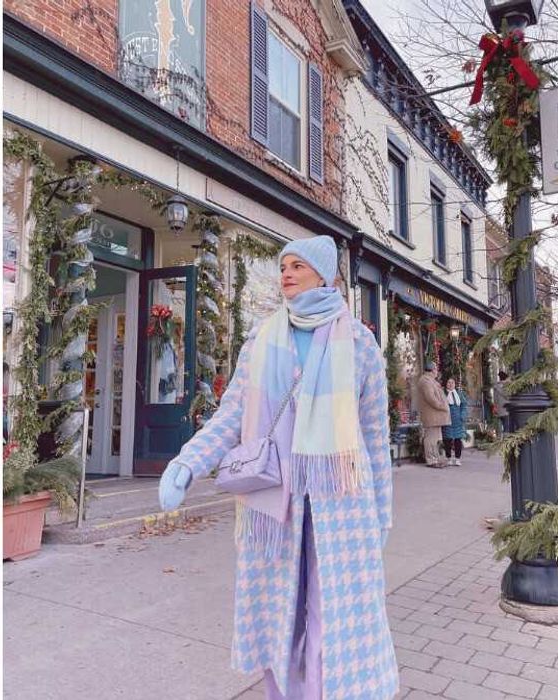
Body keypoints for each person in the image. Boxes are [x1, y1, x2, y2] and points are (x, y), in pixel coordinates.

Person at [158, 235, 398, 699]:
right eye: (283, 265)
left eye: (297, 266)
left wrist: (382, 515)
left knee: (334, 620)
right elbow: (231, 416)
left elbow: (374, 437)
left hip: (342, 505)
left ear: (323, 275)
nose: (285, 274)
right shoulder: (262, 339)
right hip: (274, 503)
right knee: (279, 617)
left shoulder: (361, 344)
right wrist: (187, 464)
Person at [415, 361, 450, 468]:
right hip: (432, 415)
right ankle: (431, 460)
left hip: (436, 415)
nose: (437, 371)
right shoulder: (425, 381)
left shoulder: (431, 380)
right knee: (431, 438)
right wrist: (442, 406)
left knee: (436, 438)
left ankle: (437, 458)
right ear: (432, 370)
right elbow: (430, 398)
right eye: (436, 369)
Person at [443, 378, 469, 467]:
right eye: (448, 382)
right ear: (446, 384)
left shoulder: (459, 394)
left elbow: (464, 405)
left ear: (455, 384)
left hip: (458, 421)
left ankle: (458, 459)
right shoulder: (443, 394)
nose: (450, 384)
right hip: (447, 421)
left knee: (458, 440)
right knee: (447, 440)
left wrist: (462, 415)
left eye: (452, 382)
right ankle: (448, 458)